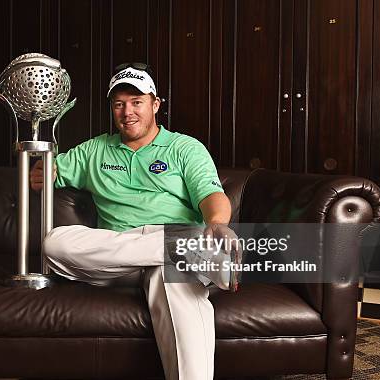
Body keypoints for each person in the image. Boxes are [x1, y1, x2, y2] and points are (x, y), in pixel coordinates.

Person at [30, 63, 240, 380]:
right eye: (119, 104)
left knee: (174, 281)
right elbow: (41, 176)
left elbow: (212, 195)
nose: (127, 112)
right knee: (53, 243)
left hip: (169, 250)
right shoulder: (93, 150)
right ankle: (187, 250)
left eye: (137, 101)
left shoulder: (184, 148)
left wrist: (217, 223)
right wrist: (41, 171)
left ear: (155, 104)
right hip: (117, 259)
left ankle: (181, 249)